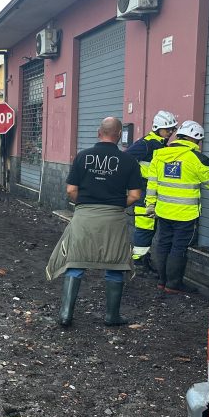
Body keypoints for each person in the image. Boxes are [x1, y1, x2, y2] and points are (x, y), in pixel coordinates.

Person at [45, 117, 145, 327]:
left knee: (75, 261)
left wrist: (86, 204)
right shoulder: (129, 162)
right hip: (114, 218)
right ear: (119, 135)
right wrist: (115, 204)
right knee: (116, 264)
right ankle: (111, 316)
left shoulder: (82, 157)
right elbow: (135, 196)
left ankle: (65, 314)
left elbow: (71, 190)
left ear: (99, 132)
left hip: (84, 216)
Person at [146, 120, 209, 294]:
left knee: (163, 245)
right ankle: (173, 285)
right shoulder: (197, 158)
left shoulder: (159, 155)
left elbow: (152, 184)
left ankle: (162, 281)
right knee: (179, 248)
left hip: (163, 211)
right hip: (186, 214)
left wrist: (150, 205)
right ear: (195, 140)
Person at [125, 110, 178, 275]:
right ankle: (138, 263)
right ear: (157, 128)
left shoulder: (162, 145)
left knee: (150, 229)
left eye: (172, 129)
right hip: (143, 194)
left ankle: (143, 260)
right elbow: (125, 160)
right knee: (144, 229)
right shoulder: (146, 143)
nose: (170, 132)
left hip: (154, 194)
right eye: (167, 129)